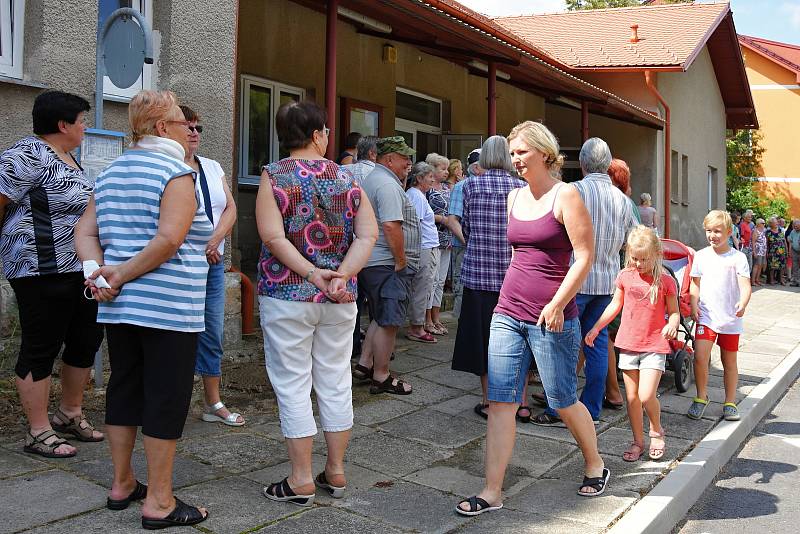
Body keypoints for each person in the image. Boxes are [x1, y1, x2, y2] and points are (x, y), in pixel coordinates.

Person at [75, 89, 211, 528]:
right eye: (180, 121)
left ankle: (121, 484)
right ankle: (160, 501)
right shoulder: (176, 172)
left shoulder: (111, 170)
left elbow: (85, 230)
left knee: (124, 389)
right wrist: (120, 274)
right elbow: (170, 240)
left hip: (119, 307)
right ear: (160, 128)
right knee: (166, 398)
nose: (189, 128)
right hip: (170, 305)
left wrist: (98, 273)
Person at [456, 122, 606, 518]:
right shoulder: (513, 197)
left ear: (543, 152)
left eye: (522, 151)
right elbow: (518, 255)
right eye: (512, 152)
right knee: (501, 401)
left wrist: (557, 303)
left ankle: (595, 463)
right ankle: (491, 491)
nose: (515, 159)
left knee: (561, 398)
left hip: (552, 317)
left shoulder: (566, 195)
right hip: (507, 311)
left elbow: (585, 256)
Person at [255, 101, 377, 506]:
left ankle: (301, 478)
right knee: (336, 378)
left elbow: (273, 238)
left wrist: (311, 274)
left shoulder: (274, 176)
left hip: (287, 293)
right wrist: (341, 275)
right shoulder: (347, 177)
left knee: (292, 383)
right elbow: (367, 236)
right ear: (319, 134)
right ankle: (336, 471)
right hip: (340, 298)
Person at [0, 91, 104, 459]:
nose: (85, 126)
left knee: (85, 339)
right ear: (63, 125)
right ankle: (38, 430)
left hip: (79, 268)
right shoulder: (25, 154)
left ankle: (69, 413)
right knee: (41, 346)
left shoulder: (68, 157)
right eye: (82, 120)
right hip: (38, 268)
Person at [535, 137, 637, 426]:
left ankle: (559, 409)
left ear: (581, 164)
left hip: (574, 281)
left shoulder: (573, 191)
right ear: (607, 163)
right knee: (596, 343)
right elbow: (634, 239)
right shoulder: (623, 200)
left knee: (562, 347)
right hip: (606, 282)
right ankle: (591, 407)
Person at [585, 226, 679, 462]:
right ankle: (637, 441)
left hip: (654, 344)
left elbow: (675, 312)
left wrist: (673, 324)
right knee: (632, 398)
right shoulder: (624, 276)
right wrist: (597, 327)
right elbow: (615, 305)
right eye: (634, 258)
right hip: (628, 343)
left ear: (656, 254)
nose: (638, 264)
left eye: (644, 259)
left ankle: (656, 430)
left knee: (647, 396)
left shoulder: (665, 281)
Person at [179, 105, 244, 427]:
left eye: (198, 127)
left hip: (213, 261)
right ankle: (172, 398)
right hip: (179, 263)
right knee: (177, 334)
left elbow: (230, 207)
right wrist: (202, 245)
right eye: (188, 126)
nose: (194, 133)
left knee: (212, 331)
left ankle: (213, 401)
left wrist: (215, 239)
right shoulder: (167, 167)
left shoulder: (211, 165)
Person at [452, 137, 525, 420]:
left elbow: (466, 229)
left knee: (483, 341)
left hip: (478, 277)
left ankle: (488, 400)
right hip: (513, 278)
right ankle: (517, 400)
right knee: (516, 341)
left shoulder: (470, 186)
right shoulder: (520, 187)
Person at [355, 136, 420, 395]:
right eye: (405, 158)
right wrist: (402, 260)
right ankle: (381, 376)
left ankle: (364, 364)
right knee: (389, 321)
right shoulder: (387, 184)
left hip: (376, 262)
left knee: (380, 316)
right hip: (387, 263)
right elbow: (391, 225)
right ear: (389, 159)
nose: (409, 163)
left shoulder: (376, 179)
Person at [687, 210, 751, 422]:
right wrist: (694, 303)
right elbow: (694, 285)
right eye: (709, 231)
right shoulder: (701, 256)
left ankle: (730, 401)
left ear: (729, 232)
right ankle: (701, 396)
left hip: (730, 318)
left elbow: (745, 286)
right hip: (707, 316)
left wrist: (743, 302)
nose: (713, 235)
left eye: (717, 231)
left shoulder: (738, 258)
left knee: (729, 361)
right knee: (700, 356)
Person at [601, 158, 640, 410]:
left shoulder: (619, 202)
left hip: (617, 277)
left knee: (601, 334)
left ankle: (614, 392)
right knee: (601, 334)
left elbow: (636, 240)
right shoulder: (627, 203)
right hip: (618, 276)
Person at [343, 135, 379, 358]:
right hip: (374, 244)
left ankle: (353, 344)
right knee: (375, 300)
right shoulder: (380, 175)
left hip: (348, 243)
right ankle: (375, 348)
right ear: (374, 154)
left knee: (353, 299)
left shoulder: (343, 171)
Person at [405, 162, 439, 344]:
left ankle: (416, 324)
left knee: (423, 287)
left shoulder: (417, 195)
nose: (432, 180)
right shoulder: (416, 196)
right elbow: (414, 225)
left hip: (425, 246)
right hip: (423, 247)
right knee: (421, 287)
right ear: (419, 178)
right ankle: (416, 327)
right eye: (429, 177)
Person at [447, 149, 482, 317]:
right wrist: (470, 243)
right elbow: (452, 220)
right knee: (462, 288)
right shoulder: (461, 187)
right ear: (476, 168)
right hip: (463, 248)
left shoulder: (484, 185)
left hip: (475, 248)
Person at [425, 152, 452, 336]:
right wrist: (443, 219)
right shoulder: (426, 189)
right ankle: (426, 319)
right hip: (432, 239)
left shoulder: (447, 188)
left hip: (447, 240)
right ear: (432, 169)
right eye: (443, 168)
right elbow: (423, 214)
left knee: (440, 281)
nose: (446, 171)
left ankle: (436, 317)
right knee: (431, 281)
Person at [765, 216, 788, 285]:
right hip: (772, 252)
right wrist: (766, 252)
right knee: (772, 267)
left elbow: (784, 241)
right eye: (775, 223)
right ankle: (772, 280)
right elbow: (766, 243)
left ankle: (781, 280)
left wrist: (786, 251)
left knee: (782, 266)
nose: (777, 223)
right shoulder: (768, 232)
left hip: (781, 251)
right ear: (771, 224)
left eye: (777, 222)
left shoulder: (780, 230)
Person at [751, 218, 767, 286]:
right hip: (758, 250)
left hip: (763, 250)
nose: (764, 224)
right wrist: (754, 252)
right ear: (758, 224)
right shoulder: (755, 231)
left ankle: (757, 280)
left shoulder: (764, 230)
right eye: (763, 223)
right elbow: (753, 242)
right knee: (756, 265)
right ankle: (753, 281)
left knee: (760, 265)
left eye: (764, 223)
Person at [789, 218, 800, 286]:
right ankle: (795, 281)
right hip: (794, 251)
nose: (795, 228)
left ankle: (798, 281)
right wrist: (790, 251)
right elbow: (790, 241)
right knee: (794, 267)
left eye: (797, 227)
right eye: (795, 226)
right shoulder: (793, 231)